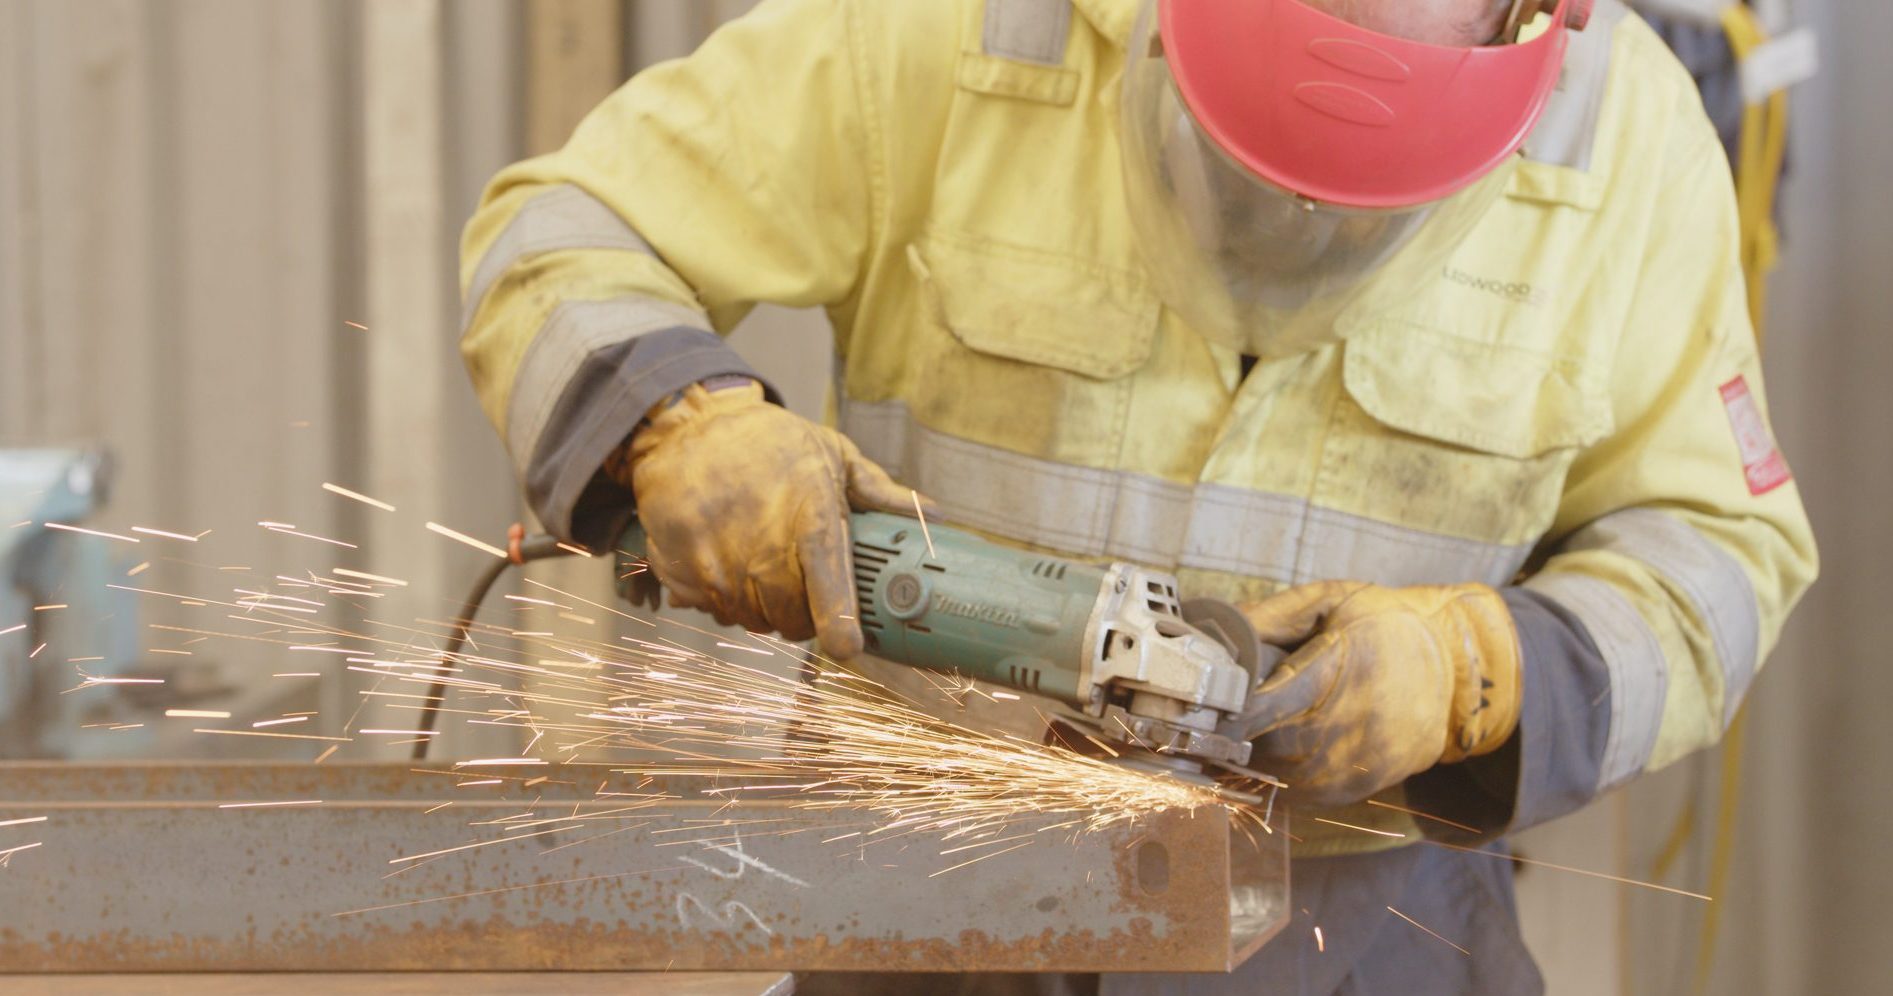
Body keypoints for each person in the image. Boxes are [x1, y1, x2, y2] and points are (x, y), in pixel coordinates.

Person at [459, 0, 1817, 991]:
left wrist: (1478, 671)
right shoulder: (959, 28)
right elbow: (567, 225)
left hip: (1358, 946)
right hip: (924, 918)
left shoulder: (1624, 141)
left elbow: (1714, 550)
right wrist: (678, 424)